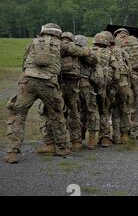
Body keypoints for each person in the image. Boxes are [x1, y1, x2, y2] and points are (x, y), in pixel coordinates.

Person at [4, 23, 91, 163]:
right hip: (48, 83)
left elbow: (24, 64)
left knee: (18, 115)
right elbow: (82, 52)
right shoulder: (61, 45)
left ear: (43, 32)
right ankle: (62, 148)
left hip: (28, 81)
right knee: (57, 114)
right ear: (57, 34)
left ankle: (11, 152)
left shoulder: (32, 43)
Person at [104, 31, 134, 144]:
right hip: (123, 84)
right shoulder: (122, 51)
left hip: (109, 85)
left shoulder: (104, 52)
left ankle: (110, 137)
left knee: (108, 110)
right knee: (123, 109)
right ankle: (124, 135)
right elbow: (129, 68)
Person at [114, 28, 138, 140]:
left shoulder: (116, 42)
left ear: (117, 34)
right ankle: (135, 131)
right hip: (137, 75)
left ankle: (123, 132)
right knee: (136, 103)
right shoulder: (136, 40)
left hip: (124, 76)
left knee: (124, 102)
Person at [92, 32, 119, 148]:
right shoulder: (109, 53)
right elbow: (116, 73)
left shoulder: (90, 51)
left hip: (90, 86)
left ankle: (86, 140)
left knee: (89, 111)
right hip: (105, 87)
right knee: (104, 111)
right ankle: (105, 138)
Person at [75, 35, 100, 150]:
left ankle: (76, 140)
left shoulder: (68, 52)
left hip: (71, 84)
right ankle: (91, 139)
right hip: (85, 83)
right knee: (91, 110)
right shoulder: (88, 53)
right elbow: (95, 63)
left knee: (74, 112)